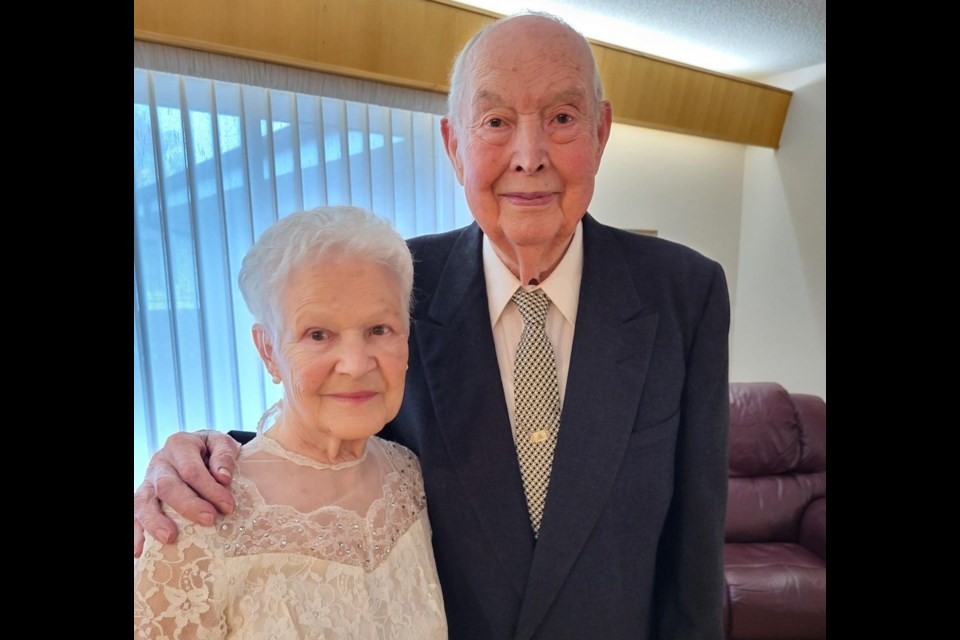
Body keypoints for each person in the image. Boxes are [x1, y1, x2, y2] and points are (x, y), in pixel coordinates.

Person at [135, 12, 730, 639]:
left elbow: (695, 544)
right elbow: (335, 412)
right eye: (496, 122)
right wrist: (208, 457)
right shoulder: (396, 284)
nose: (529, 157)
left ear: (601, 131)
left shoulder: (683, 293)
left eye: (561, 118)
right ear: (454, 145)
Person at [134, 207, 447, 638]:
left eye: (379, 329)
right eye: (318, 334)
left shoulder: (410, 475)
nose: (356, 365)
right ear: (268, 351)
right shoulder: (191, 520)